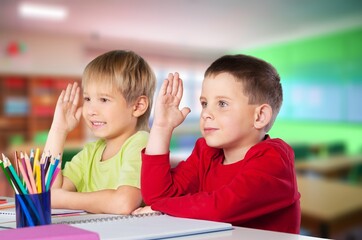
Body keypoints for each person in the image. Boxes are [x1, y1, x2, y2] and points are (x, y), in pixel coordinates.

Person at [133, 54, 301, 234]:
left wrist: (162, 208)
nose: (205, 113)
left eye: (222, 103)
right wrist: (161, 126)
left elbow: (222, 208)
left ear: (259, 116)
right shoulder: (206, 152)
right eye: (204, 103)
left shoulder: (273, 159)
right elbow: (156, 196)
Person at [44, 50, 156, 214]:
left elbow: (123, 203)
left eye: (104, 100)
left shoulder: (142, 143)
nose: (90, 110)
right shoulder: (91, 152)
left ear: (138, 106)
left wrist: (63, 199)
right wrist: (58, 130)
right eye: (88, 99)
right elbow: (48, 190)